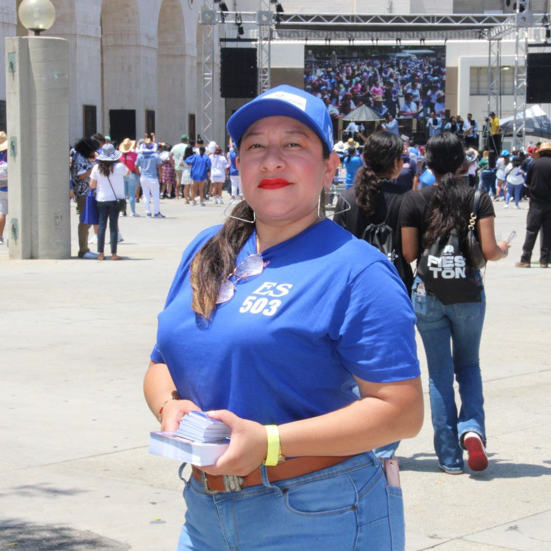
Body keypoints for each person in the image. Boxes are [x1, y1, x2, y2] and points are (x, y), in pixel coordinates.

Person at [144, 84, 423, 551]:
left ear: (330, 167)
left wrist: (270, 442)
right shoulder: (207, 250)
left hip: (317, 515)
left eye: (294, 144)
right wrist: (169, 406)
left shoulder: (358, 270)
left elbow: (402, 412)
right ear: (238, 164)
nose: (272, 160)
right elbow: (160, 362)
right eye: (255, 146)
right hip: (204, 514)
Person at [400, 132, 509, 474]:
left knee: (439, 375)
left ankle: (448, 457)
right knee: (470, 366)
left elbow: (409, 254)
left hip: (428, 294)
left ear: (427, 163)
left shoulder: (414, 200)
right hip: (468, 294)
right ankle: (472, 429)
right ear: (464, 161)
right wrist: (504, 249)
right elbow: (489, 251)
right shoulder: (479, 198)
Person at [89, 144, 130, 261]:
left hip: (101, 199)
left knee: (101, 226)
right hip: (115, 200)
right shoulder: (120, 166)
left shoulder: (96, 168)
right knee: (113, 226)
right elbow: (128, 173)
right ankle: (113, 254)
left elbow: (92, 185)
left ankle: (100, 254)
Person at [516, 141, 551, 268]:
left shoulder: (534, 163)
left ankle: (525, 259)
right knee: (548, 232)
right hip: (550, 203)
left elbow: (527, 184)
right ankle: (544, 261)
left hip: (536, 202)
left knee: (531, 230)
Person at [70, 137, 100, 259]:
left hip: (86, 192)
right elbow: (82, 175)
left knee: (87, 222)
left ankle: (84, 249)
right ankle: (83, 250)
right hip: (83, 193)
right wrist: (93, 168)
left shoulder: (80, 157)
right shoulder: (79, 159)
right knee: (84, 222)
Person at [136, 137, 165, 218]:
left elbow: (136, 166)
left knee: (146, 195)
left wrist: (139, 174)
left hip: (143, 177)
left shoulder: (140, 155)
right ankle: (156, 213)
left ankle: (148, 213)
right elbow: (159, 167)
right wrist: (160, 176)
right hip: (153, 177)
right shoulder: (155, 155)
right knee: (155, 196)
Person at [119, 139, 140, 217]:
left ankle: (122, 211)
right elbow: (136, 166)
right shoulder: (134, 155)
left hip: (122, 175)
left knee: (123, 195)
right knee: (132, 194)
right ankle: (132, 212)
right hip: (132, 174)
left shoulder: (120, 156)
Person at [170, 135, 192, 200]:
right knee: (187, 182)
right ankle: (188, 196)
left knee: (178, 181)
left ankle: (177, 196)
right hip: (186, 167)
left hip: (178, 166)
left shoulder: (175, 146)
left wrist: (172, 164)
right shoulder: (187, 147)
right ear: (186, 140)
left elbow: (170, 155)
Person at [0, 132, 8, 245]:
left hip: (1, 188)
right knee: (17, 213)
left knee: (2, 212)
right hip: (13, 188)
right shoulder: (11, 154)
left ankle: (0, 235)